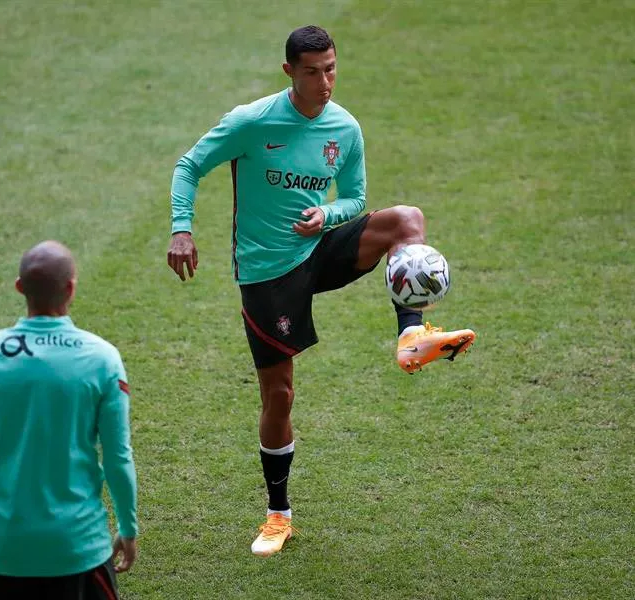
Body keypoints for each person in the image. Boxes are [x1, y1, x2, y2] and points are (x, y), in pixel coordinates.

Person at [166, 25, 476, 557]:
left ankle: (412, 336)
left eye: (331, 68)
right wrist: (181, 228)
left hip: (318, 248)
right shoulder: (253, 121)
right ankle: (278, 515)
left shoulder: (344, 127)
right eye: (313, 72)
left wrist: (326, 214)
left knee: (407, 219)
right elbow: (190, 165)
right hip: (267, 270)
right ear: (289, 71)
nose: (325, 81)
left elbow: (355, 197)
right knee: (280, 394)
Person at [0, 241, 138, 599]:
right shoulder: (102, 359)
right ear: (71, 289)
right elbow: (118, 457)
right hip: (80, 548)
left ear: (19, 287)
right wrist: (128, 526)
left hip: (8, 552)